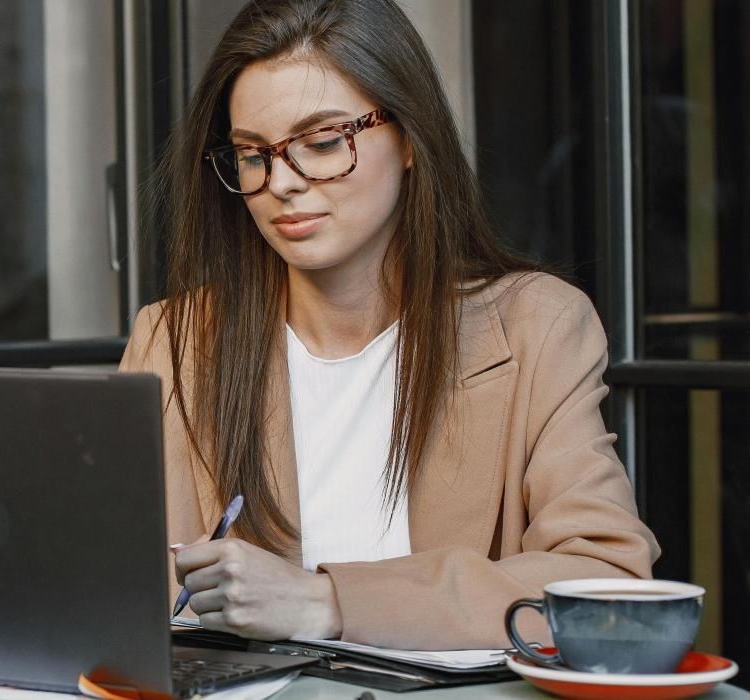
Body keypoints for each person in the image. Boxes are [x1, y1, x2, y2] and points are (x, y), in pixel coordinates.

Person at [119, 0, 658, 651]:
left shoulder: (536, 326)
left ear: (408, 138)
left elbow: (607, 585)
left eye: (320, 143)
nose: (282, 182)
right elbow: (105, 589)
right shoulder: (177, 340)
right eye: (252, 155)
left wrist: (326, 602)